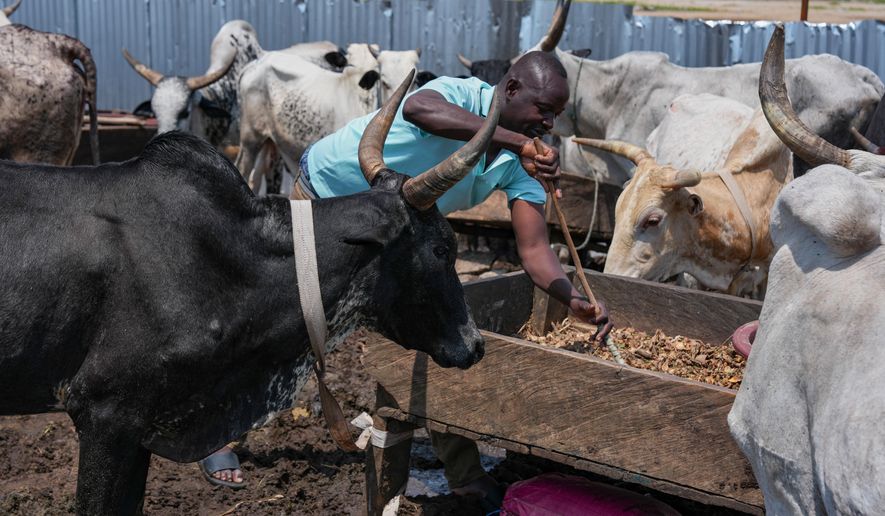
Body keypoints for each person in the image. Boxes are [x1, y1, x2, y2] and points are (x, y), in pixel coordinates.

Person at [203, 51, 613, 502]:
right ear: (511, 90)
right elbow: (419, 109)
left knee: (441, 327)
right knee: (281, 319)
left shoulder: (523, 166)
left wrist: (570, 296)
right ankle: (213, 431)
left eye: (556, 114)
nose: (549, 124)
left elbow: (535, 251)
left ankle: (463, 472)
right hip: (327, 199)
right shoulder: (464, 95)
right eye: (544, 109)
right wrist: (517, 141)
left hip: (398, 234)